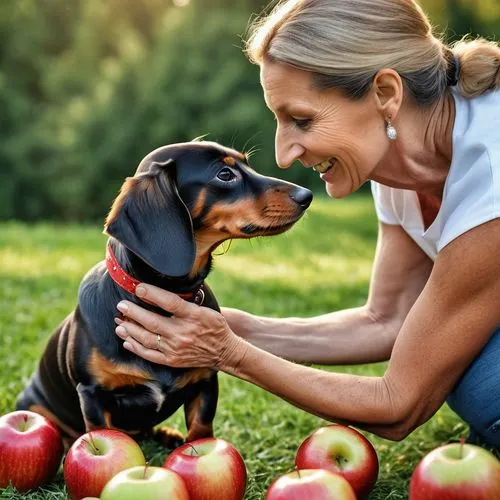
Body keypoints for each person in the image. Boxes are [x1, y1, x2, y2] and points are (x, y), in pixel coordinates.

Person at [114, 0, 500, 450]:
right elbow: (388, 319)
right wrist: (233, 326)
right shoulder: (394, 160)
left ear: (385, 94)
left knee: (475, 380)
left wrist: (227, 353)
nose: (283, 155)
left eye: (302, 120)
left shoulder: (489, 175)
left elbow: (399, 404)